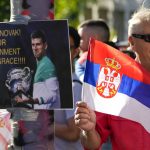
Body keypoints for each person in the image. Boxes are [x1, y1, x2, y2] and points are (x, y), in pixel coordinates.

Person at [74, 7, 150, 149]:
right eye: (149, 38)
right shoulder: (113, 83)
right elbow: (91, 145)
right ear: (132, 42)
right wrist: (88, 129)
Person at [15, 30, 60, 109]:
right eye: (33, 45)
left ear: (45, 45)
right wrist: (27, 98)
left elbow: (53, 95)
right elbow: (41, 93)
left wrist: (31, 100)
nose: (35, 48)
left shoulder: (47, 66)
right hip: (40, 115)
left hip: (48, 117)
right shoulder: (40, 64)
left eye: (38, 44)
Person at [54, 26, 83, 150]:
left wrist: (42, 126)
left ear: (75, 52)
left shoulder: (73, 86)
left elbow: (73, 133)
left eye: (66, 47)